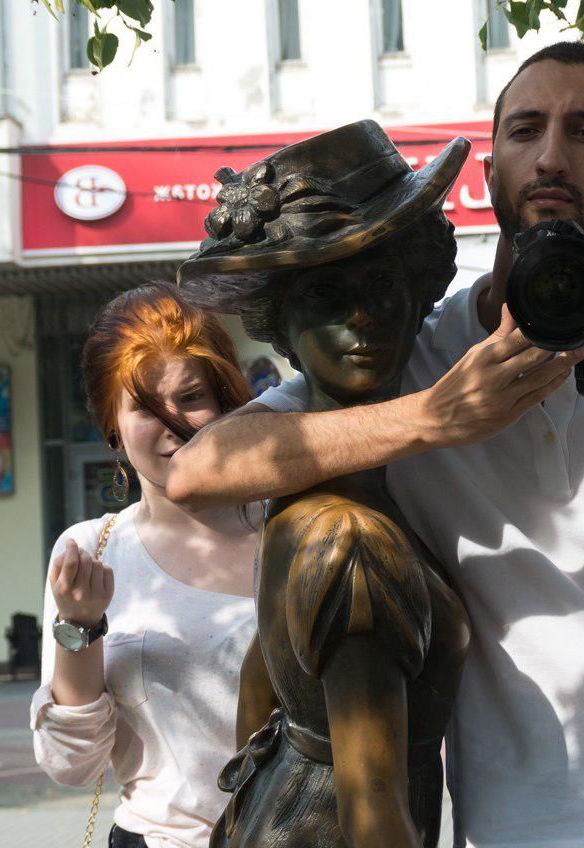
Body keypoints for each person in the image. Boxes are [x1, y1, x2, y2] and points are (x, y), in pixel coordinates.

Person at [169, 41, 584, 848]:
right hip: (527, 825)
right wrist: (436, 415)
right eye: (525, 130)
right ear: (488, 174)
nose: (551, 156)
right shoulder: (418, 352)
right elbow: (198, 470)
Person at [179, 121, 472, 848]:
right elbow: (375, 819)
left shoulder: (309, 501)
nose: (361, 316)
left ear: (418, 289)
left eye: (382, 284)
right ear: (281, 322)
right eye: (326, 293)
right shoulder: (350, 539)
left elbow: (259, 706)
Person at [31, 282, 265, 848]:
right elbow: (71, 764)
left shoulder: (295, 528)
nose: (173, 422)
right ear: (113, 426)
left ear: (226, 402)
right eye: (144, 406)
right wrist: (79, 625)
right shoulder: (94, 549)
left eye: (192, 396)